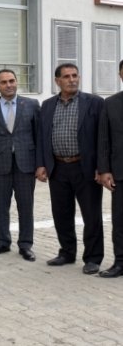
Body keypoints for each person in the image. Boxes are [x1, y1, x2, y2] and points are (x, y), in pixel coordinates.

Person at [37, 63, 104, 274]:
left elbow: (103, 139)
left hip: (85, 167)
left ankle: (93, 258)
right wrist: (42, 164)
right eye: (66, 76)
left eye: (75, 75)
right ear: (57, 81)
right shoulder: (47, 105)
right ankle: (67, 252)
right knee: (61, 213)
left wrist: (101, 168)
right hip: (58, 167)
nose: (72, 79)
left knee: (91, 215)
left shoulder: (94, 103)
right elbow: (42, 138)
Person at [0, 69, 41, 262]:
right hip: (0, 165)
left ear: (17, 82)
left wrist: (40, 164)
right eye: (4, 82)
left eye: (12, 81)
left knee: (26, 206)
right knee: (1, 206)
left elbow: (38, 137)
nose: (9, 85)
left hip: (26, 164)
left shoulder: (31, 105)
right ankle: (2, 242)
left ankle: (25, 245)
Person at [97, 60, 123, 278]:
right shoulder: (111, 103)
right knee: (120, 222)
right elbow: (103, 139)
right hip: (120, 174)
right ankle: (120, 262)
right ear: (120, 75)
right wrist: (104, 170)